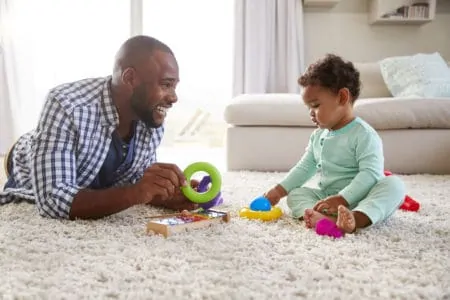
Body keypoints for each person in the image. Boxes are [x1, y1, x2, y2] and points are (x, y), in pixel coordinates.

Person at [0, 35, 200, 220]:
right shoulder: (66, 104)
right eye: (166, 85)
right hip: (25, 158)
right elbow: (53, 200)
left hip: (95, 174)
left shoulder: (150, 116)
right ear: (130, 78)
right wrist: (138, 192)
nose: (174, 98)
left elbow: (131, 184)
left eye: (174, 86)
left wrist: (163, 193)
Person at [264, 54, 406, 234]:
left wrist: (343, 198)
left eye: (315, 105)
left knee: (395, 186)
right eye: (309, 107)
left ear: (342, 97)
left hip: (363, 197)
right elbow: (304, 167)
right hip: (328, 199)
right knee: (296, 194)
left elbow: (371, 174)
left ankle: (356, 219)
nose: (311, 113)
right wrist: (278, 191)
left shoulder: (363, 134)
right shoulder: (318, 136)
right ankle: (324, 218)